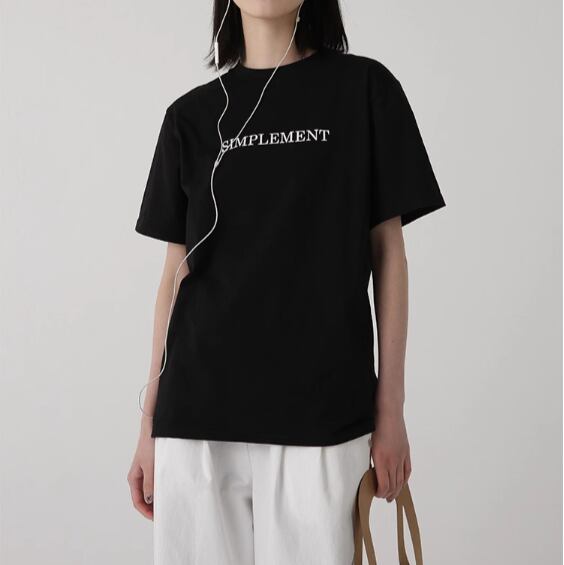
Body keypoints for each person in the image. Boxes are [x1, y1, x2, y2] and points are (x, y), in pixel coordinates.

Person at [127, 0, 446, 563]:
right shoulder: (189, 117)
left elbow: (388, 254)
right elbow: (174, 278)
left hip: (323, 415)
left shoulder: (365, 90)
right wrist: (149, 424)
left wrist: (391, 409)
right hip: (196, 418)